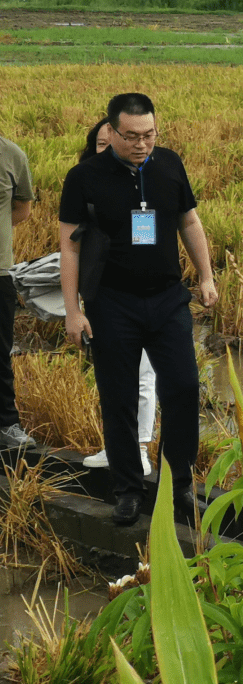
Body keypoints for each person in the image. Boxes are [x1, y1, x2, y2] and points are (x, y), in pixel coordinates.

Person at [58, 93, 218, 526]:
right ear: (111, 132)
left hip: (167, 297)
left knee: (184, 388)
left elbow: (189, 221)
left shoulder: (169, 164)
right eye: (131, 137)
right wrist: (74, 311)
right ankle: (128, 488)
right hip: (112, 301)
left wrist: (205, 276)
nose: (142, 144)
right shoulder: (84, 177)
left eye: (149, 135)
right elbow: (69, 249)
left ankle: (178, 484)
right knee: (120, 397)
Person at [77, 118, 157, 475]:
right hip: (97, 292)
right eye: (99, 144)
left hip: (136, 292)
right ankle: (115, 446)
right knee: (110, 374)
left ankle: (139, 447)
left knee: (141, 371)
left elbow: (149, 239)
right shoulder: (82, 186)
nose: (107, 150)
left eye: (114, 142)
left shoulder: (142, 184)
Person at [0, 127, 34, 449]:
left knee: (1, 351)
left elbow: (23, 208)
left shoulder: (12, 154)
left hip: (0, 271)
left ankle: (7, 425)